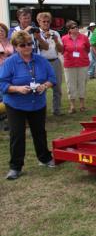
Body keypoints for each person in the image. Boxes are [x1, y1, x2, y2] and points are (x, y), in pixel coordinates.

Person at [0, 31, 57, 180]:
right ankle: (15, 167)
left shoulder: (41, 60)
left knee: (39, 132)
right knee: (17, 135)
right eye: (23, 45)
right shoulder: (9, 62)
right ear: (15, 47)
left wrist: (44, 85)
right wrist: (17, 89)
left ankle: (44, 158)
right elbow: (2, 83)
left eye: (30, 44)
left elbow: (52, 78)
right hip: (15, 104)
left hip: (37, 103)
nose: (27, 47)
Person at [36, 12, 64, 116]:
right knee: (41, 87)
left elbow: (61, 50)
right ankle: (41, 111)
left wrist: (56, 41)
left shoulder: (55, 33)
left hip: (55, 61)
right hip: (42, 62)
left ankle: (56, 110)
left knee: (57, 87)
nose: (46, 23)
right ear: (39, 22)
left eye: (48, 21)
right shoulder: (36, 34)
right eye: (44, 21)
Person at [61, 20, 90, 113]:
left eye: (77, 26)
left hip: (83, 63)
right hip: (69, 65)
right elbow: (61, 51)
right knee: (70, 85)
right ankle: (72, 106)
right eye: (73, 27)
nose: (76, 28)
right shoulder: (64, 38)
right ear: (69, 29)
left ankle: (82, 105)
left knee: (82, 84)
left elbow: (88, 49)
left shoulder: (84, 37)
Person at [0, 22, 14, 131]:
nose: (0, 33)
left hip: (10, 71)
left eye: (2, 30)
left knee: (9, 96)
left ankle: (10, 120)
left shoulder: (11, 42)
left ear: (6, 32)